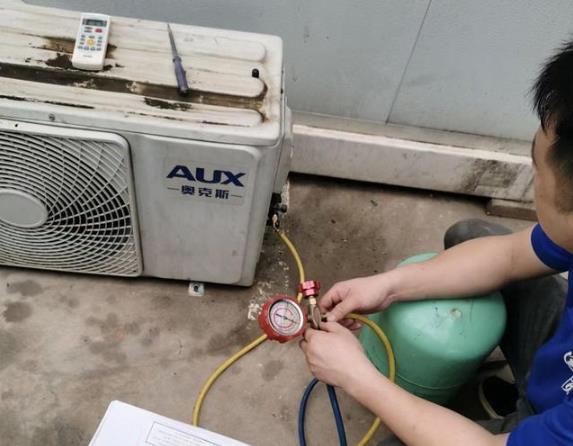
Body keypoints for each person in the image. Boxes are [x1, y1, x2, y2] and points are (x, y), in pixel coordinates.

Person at [299, 40, 573, 446]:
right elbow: (512, 255)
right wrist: (390, 285)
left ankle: (531, 423)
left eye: (536, 167)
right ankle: (533, 409)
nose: (533, 180)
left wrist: (357, 377)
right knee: (475, 239)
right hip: (559, 381)